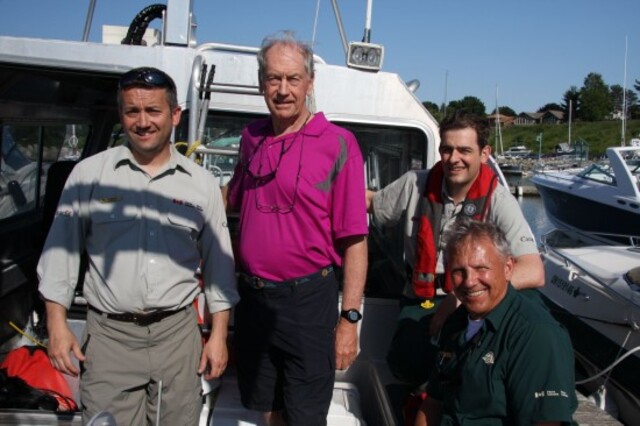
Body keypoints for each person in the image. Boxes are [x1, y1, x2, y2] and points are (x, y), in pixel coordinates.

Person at [38, 66, 239, 425]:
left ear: (175, 115)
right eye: (132, 111)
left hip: (177, 337)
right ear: (121, 115)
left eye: (153, 111)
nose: (143, 122)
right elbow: (60, 254)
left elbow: (219, 267)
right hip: (110, 338)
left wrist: (218, 336)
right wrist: (57, 325)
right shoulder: (88, 174)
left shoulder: (203, 185)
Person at [226, 31, 368, 426]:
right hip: (253, 301)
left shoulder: (338, 143)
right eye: (273, 79)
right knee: (265, 406)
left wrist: (349, 320)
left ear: (309, 83)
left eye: (292, 79)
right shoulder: (251, 138)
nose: (283, 90)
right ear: (261, 84)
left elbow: (355, 240)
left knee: (305, 415)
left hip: (308, 302)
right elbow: (231, 198)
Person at [366, 110, 545, 387]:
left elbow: (533, 270)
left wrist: (458, 298)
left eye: (464, 150)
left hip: (470, 298)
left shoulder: (498, 200)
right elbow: (372, 204)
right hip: (422, 297)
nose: (453, 159)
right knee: (406, 363)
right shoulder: (416, 183)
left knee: (470, 369)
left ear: (484, 154)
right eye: (447, 149)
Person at [415, 219, 576, 425]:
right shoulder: (456, 323)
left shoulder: (536, 335)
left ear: (508, 268)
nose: (470, 281)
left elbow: (547, 422)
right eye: (458, 271)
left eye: (481, 268)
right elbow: (433, 403)